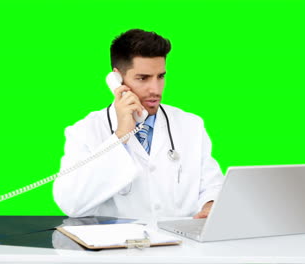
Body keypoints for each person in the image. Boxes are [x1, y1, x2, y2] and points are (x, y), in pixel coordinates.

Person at [53, 29, 224, 219]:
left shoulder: (191, 125)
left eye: (160, 76)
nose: (155, 89)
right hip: (118, 246)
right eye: (143, 78)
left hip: (181, 245)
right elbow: (71, 204)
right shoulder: (85, 131)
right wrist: (120, 137)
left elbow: (212, 185)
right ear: (117, 79)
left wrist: (210, 206)